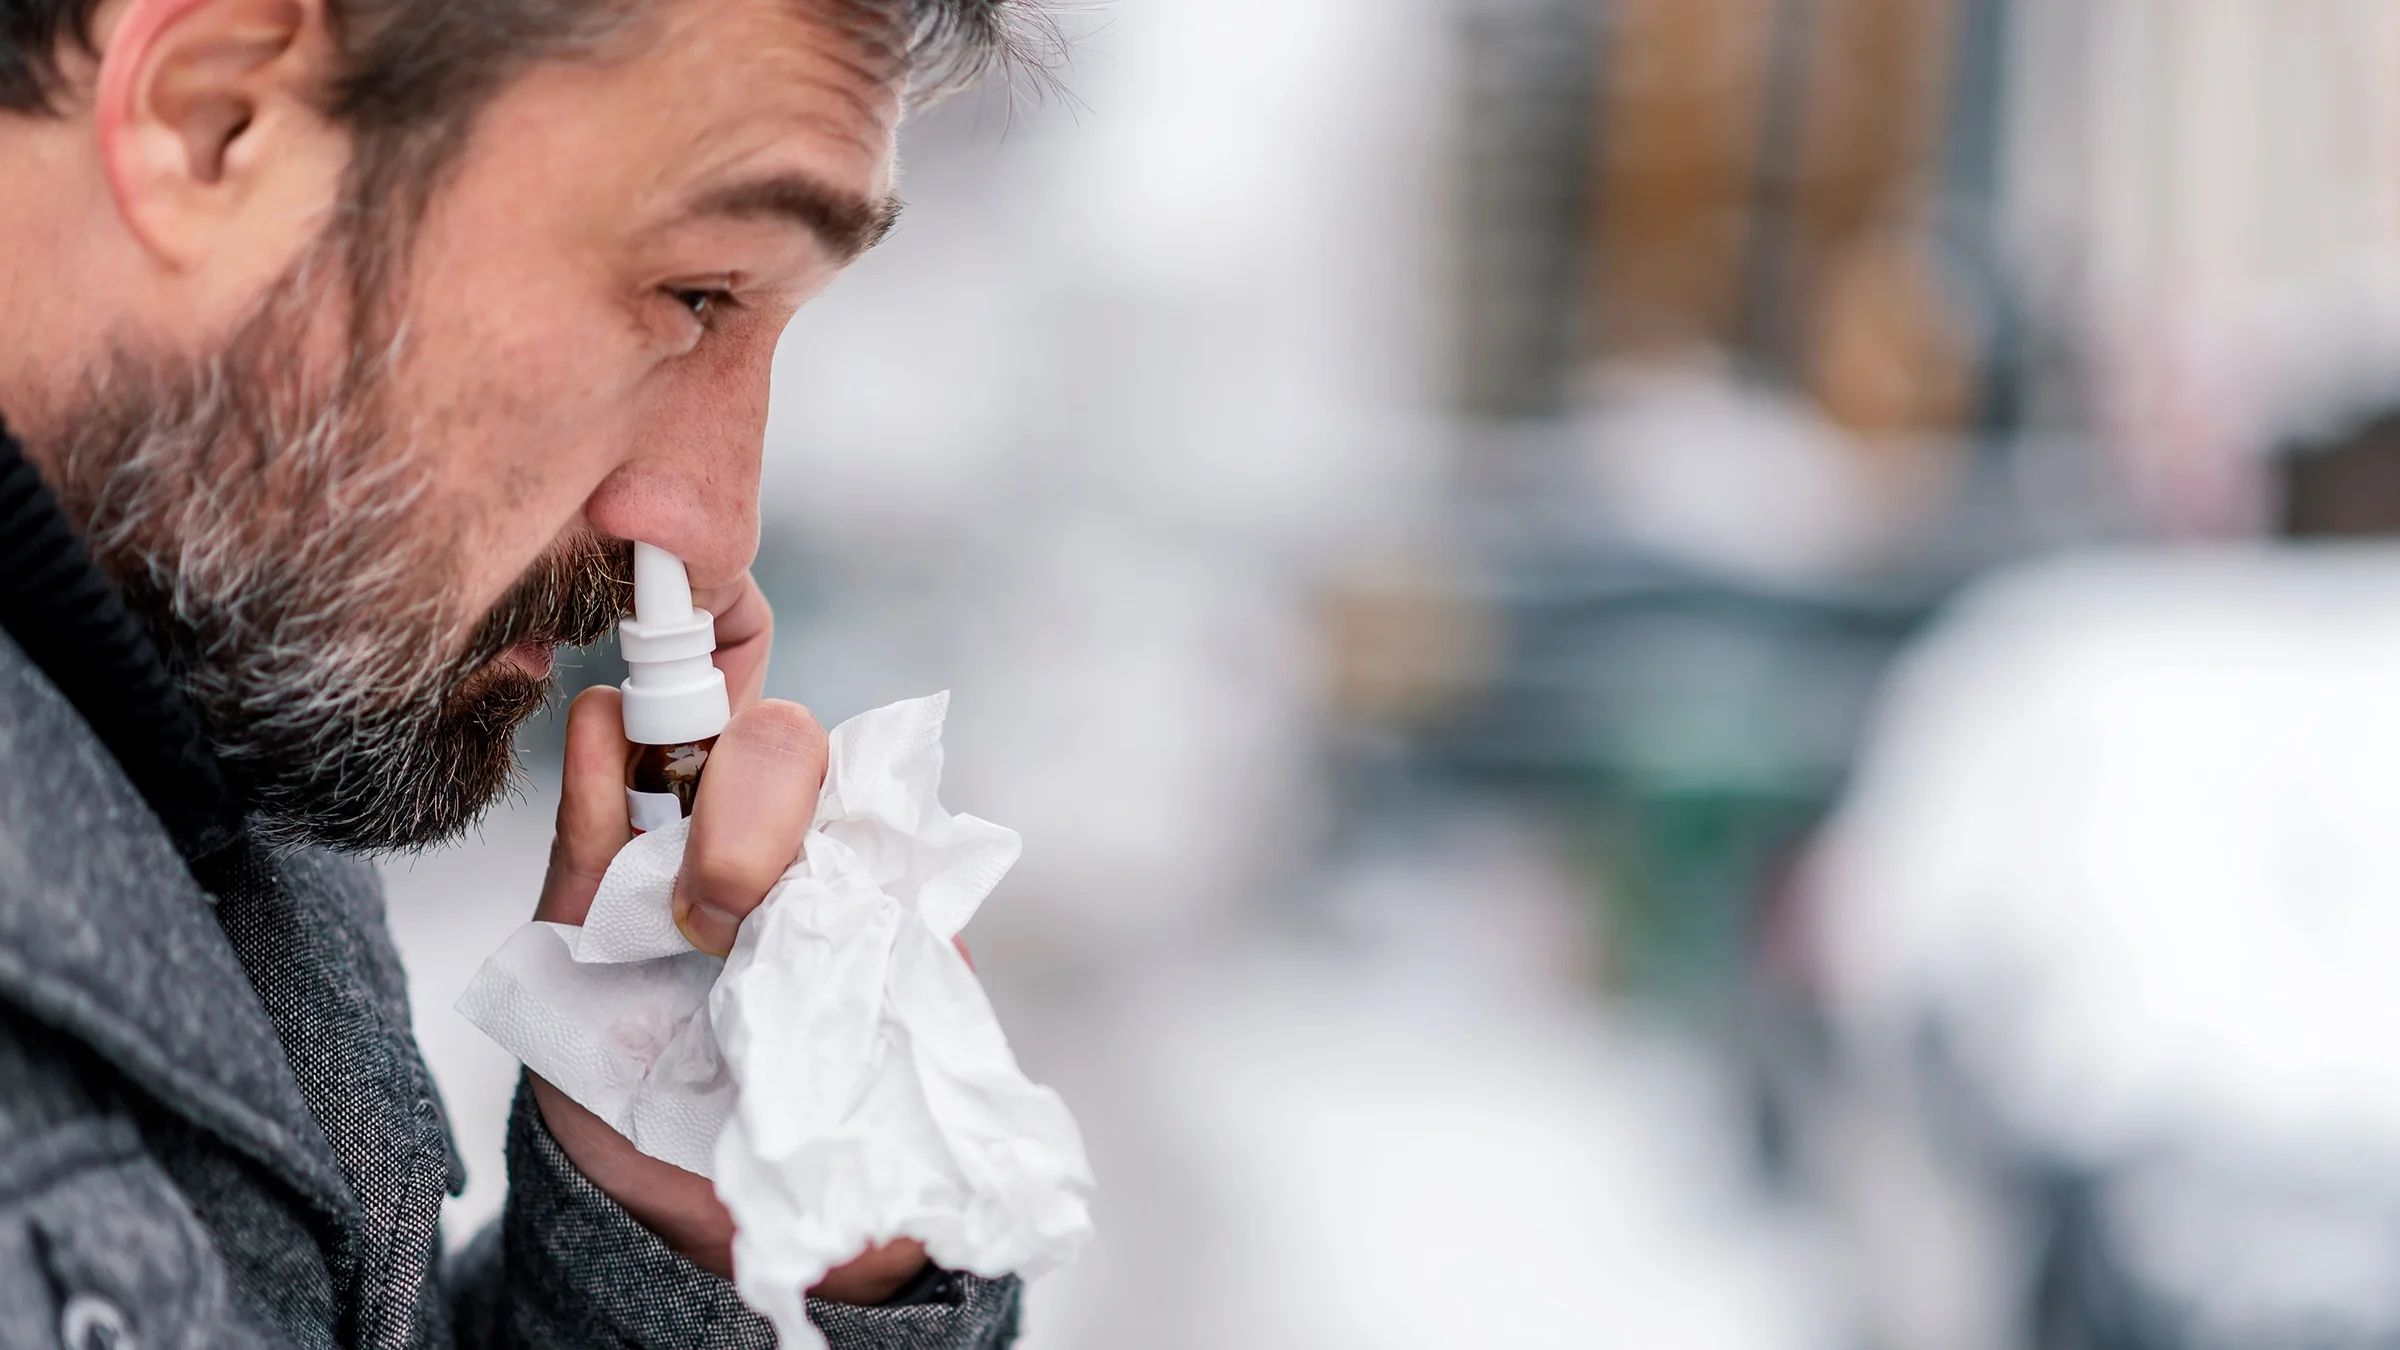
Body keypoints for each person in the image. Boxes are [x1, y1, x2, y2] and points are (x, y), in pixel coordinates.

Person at [0, 0, 1047, 1344]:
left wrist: (686, 1250)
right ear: (214, 122)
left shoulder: (198, 722)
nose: (718, 528)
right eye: (694, 295)